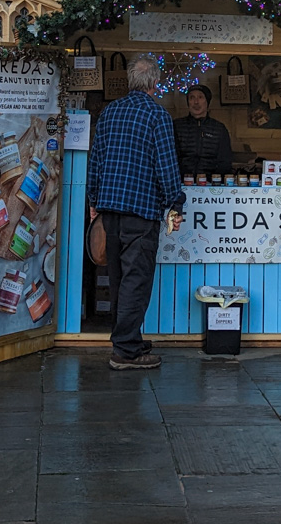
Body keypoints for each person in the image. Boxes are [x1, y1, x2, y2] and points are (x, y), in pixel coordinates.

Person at [87, 54, 185, 370]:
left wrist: (93, 200)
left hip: (110, 211)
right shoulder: (157, 116)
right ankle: (126, 351)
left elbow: (96, 161)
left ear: (131, 82)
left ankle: (127, 339)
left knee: (118, 278)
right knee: (136, 280)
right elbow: (166, 167)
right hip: (141, 212)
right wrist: (176, 201)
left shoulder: (109, 112)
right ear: (155, 84)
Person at [173, 84, 233, 178]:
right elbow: (171, 158)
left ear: (207, 102)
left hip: (211, 184)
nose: (196, 102)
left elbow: (225, 161)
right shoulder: (176, 126)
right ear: (188, 102)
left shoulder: (219, 129)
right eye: (192, 98)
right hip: (181, 183)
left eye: (200, 97)